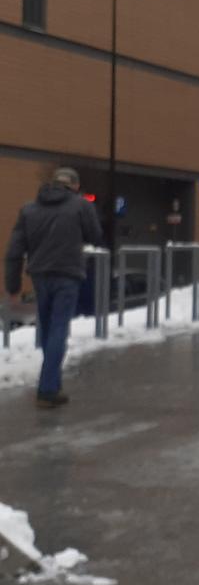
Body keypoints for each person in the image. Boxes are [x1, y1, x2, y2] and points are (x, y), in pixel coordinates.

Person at [4, 168, 102, 408]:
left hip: (39, 275)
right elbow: (95, 235)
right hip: (68, 274)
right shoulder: (81, 206)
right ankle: (47, 390)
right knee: (58, 329)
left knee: (47, 329)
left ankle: (53, 385)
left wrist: (12, 283)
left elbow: (15, 250)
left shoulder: (29, 209)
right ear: (75, 186)